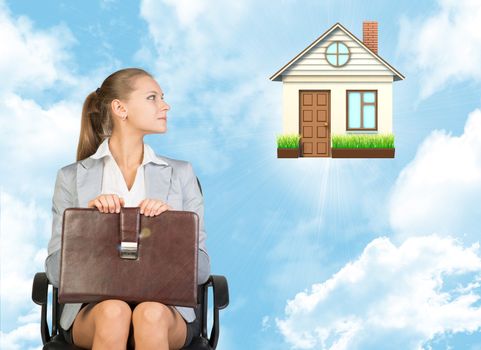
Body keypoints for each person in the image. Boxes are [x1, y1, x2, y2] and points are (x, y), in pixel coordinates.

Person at [44, 67, 210, 349]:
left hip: (167, 310)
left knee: (149, 313)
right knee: (114, 311)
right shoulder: (72, 177)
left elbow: (202, 270)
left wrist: (169, 227)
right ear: (120, 108)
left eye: (162, 98)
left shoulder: (180, 173)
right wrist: (88, 223)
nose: (164, 105)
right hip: (92, 311)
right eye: (152, 98)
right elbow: (54, 272)